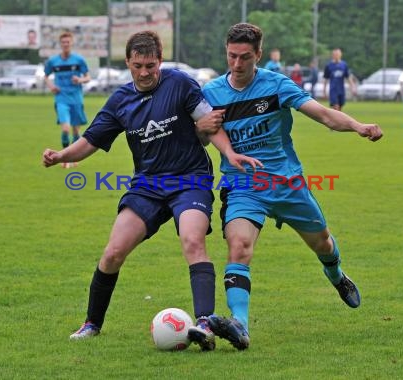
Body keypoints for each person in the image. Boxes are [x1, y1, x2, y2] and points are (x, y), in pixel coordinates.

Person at [41, 30, 261, 350]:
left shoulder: (180, 83)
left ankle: (204, 324)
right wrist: (62, 156)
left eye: (151, 65)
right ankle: (92, 323)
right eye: (137, 66)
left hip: (190, 180)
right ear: (128, 63)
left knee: (192, 239)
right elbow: (90, 141)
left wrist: (228, 153)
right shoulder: (120, 100)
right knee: (114, 251)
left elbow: (209, 123)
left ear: (160, 61)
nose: (144, 73)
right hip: (147, 185)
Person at [198, 23, 383, 350]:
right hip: (243, 186)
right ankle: (239, 324)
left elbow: (324, 115)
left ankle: (337, 275)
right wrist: (202, 128)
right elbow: (199, 137)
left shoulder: (276, 85)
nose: (237, 64)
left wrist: (357, 125)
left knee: (323, 244)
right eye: (231, 56)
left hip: (287, 184)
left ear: (258, 55)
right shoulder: (211, 93)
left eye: (244, 58)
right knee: (239, 246)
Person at [44, 31, 91, 169]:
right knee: (65, 129)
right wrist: (51, 86)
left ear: (72, 43)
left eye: (68, 42)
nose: (66, 44)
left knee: (76, 131)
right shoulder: (53, 61)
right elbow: (45, 76)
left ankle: (74, 157)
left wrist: (80, 79)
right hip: (61, 98)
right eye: (63, 42)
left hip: (76, 99)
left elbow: (88, 77)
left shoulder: (79, 60)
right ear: (60, 44)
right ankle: (64, 159)